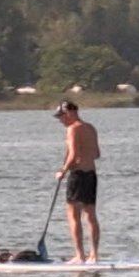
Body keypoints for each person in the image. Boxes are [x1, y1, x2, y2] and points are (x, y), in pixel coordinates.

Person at [54, 101, 101, 263]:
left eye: (62, 116)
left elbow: (73, 155)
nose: (61, 121)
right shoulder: (90, 128)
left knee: (73, 215)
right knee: (91, 215)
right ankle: (94, 255)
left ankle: (80, 256)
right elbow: (96, 154)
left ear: (69, 113)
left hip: (78, 175)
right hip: (91, 174)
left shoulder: (73, 129)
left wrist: (63, 171)